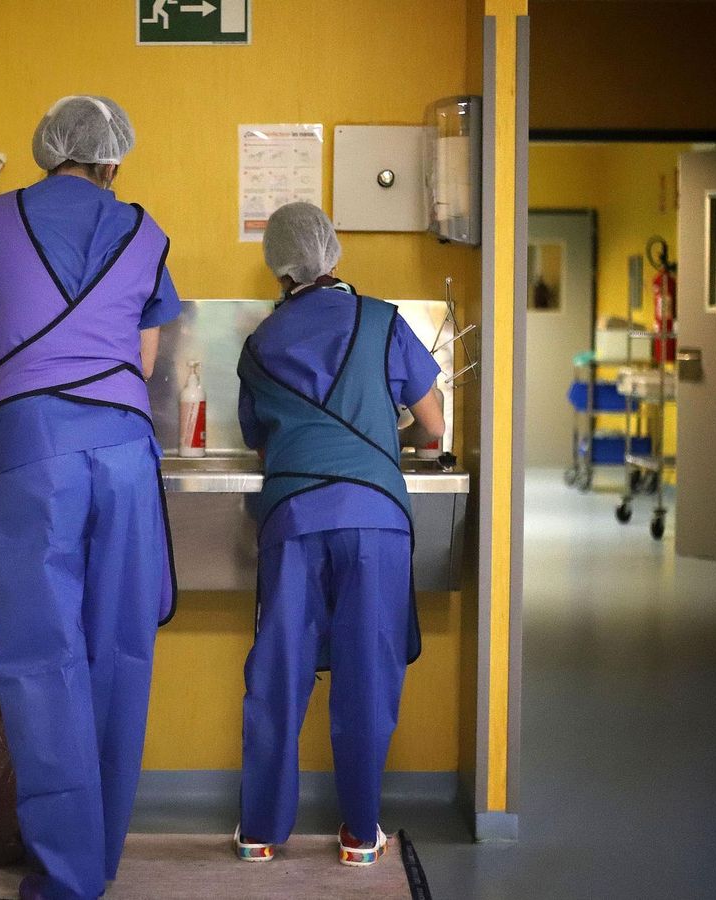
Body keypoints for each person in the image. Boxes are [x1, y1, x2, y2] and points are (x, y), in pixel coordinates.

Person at [0, 95, 180, 900]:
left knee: (43, 657)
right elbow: (145, 361)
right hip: (124, 453)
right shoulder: (145, 232)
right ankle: (99, 854)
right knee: (121, 646)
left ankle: (66, 874)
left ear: (48, 149)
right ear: (114, 159)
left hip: (32, 447)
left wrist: (13, 339)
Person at [233, 202, 445, 867]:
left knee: (279, 671)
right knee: (367, 674)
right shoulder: (384, 321)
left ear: (278, 266)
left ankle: (260, 833)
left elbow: (262, 442)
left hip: (294, 519)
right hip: (375, 518)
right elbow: (433, 424)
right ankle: (359, 835)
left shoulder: (260, 343)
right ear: (334, 251)